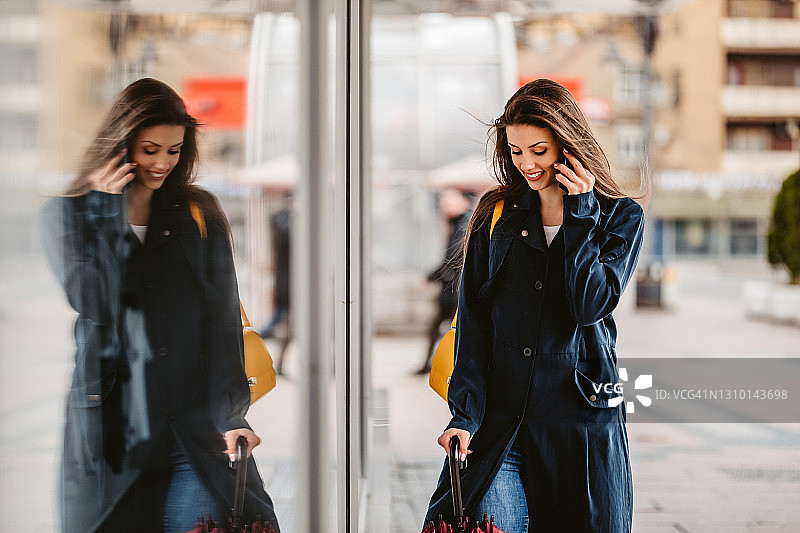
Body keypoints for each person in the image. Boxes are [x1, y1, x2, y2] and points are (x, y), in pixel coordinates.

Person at [41, 78, 280, 533]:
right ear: (121, 142)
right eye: (150, 149)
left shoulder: (197, 212)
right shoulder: (67, 214)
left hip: (191, 428)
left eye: (174, 150)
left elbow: (222, 320)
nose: (163, 163)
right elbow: (94, 298)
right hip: (113, 433)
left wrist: (232, 415)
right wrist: (109, 214)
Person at [423, 78, 646, 532]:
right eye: (516, 151)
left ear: (568, 143)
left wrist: (578, 215)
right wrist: (464, 415)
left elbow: (590, 305)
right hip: (501, 429)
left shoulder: (620, 216)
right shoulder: (496, 214)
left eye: (539, 150)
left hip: (580, 427)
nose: (526, 163)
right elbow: (474, 325)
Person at [415, 188, 473, 375]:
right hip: (452, 288)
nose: (444, 206)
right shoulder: (458, 224)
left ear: (464, 202)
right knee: (443, 329)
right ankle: (432, 365)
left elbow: (452, 259)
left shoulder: (463, 225)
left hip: (455, 289)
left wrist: (430, 277)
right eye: (442, 203)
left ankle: (447, 368)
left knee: (454, 331)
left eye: (449, 202)